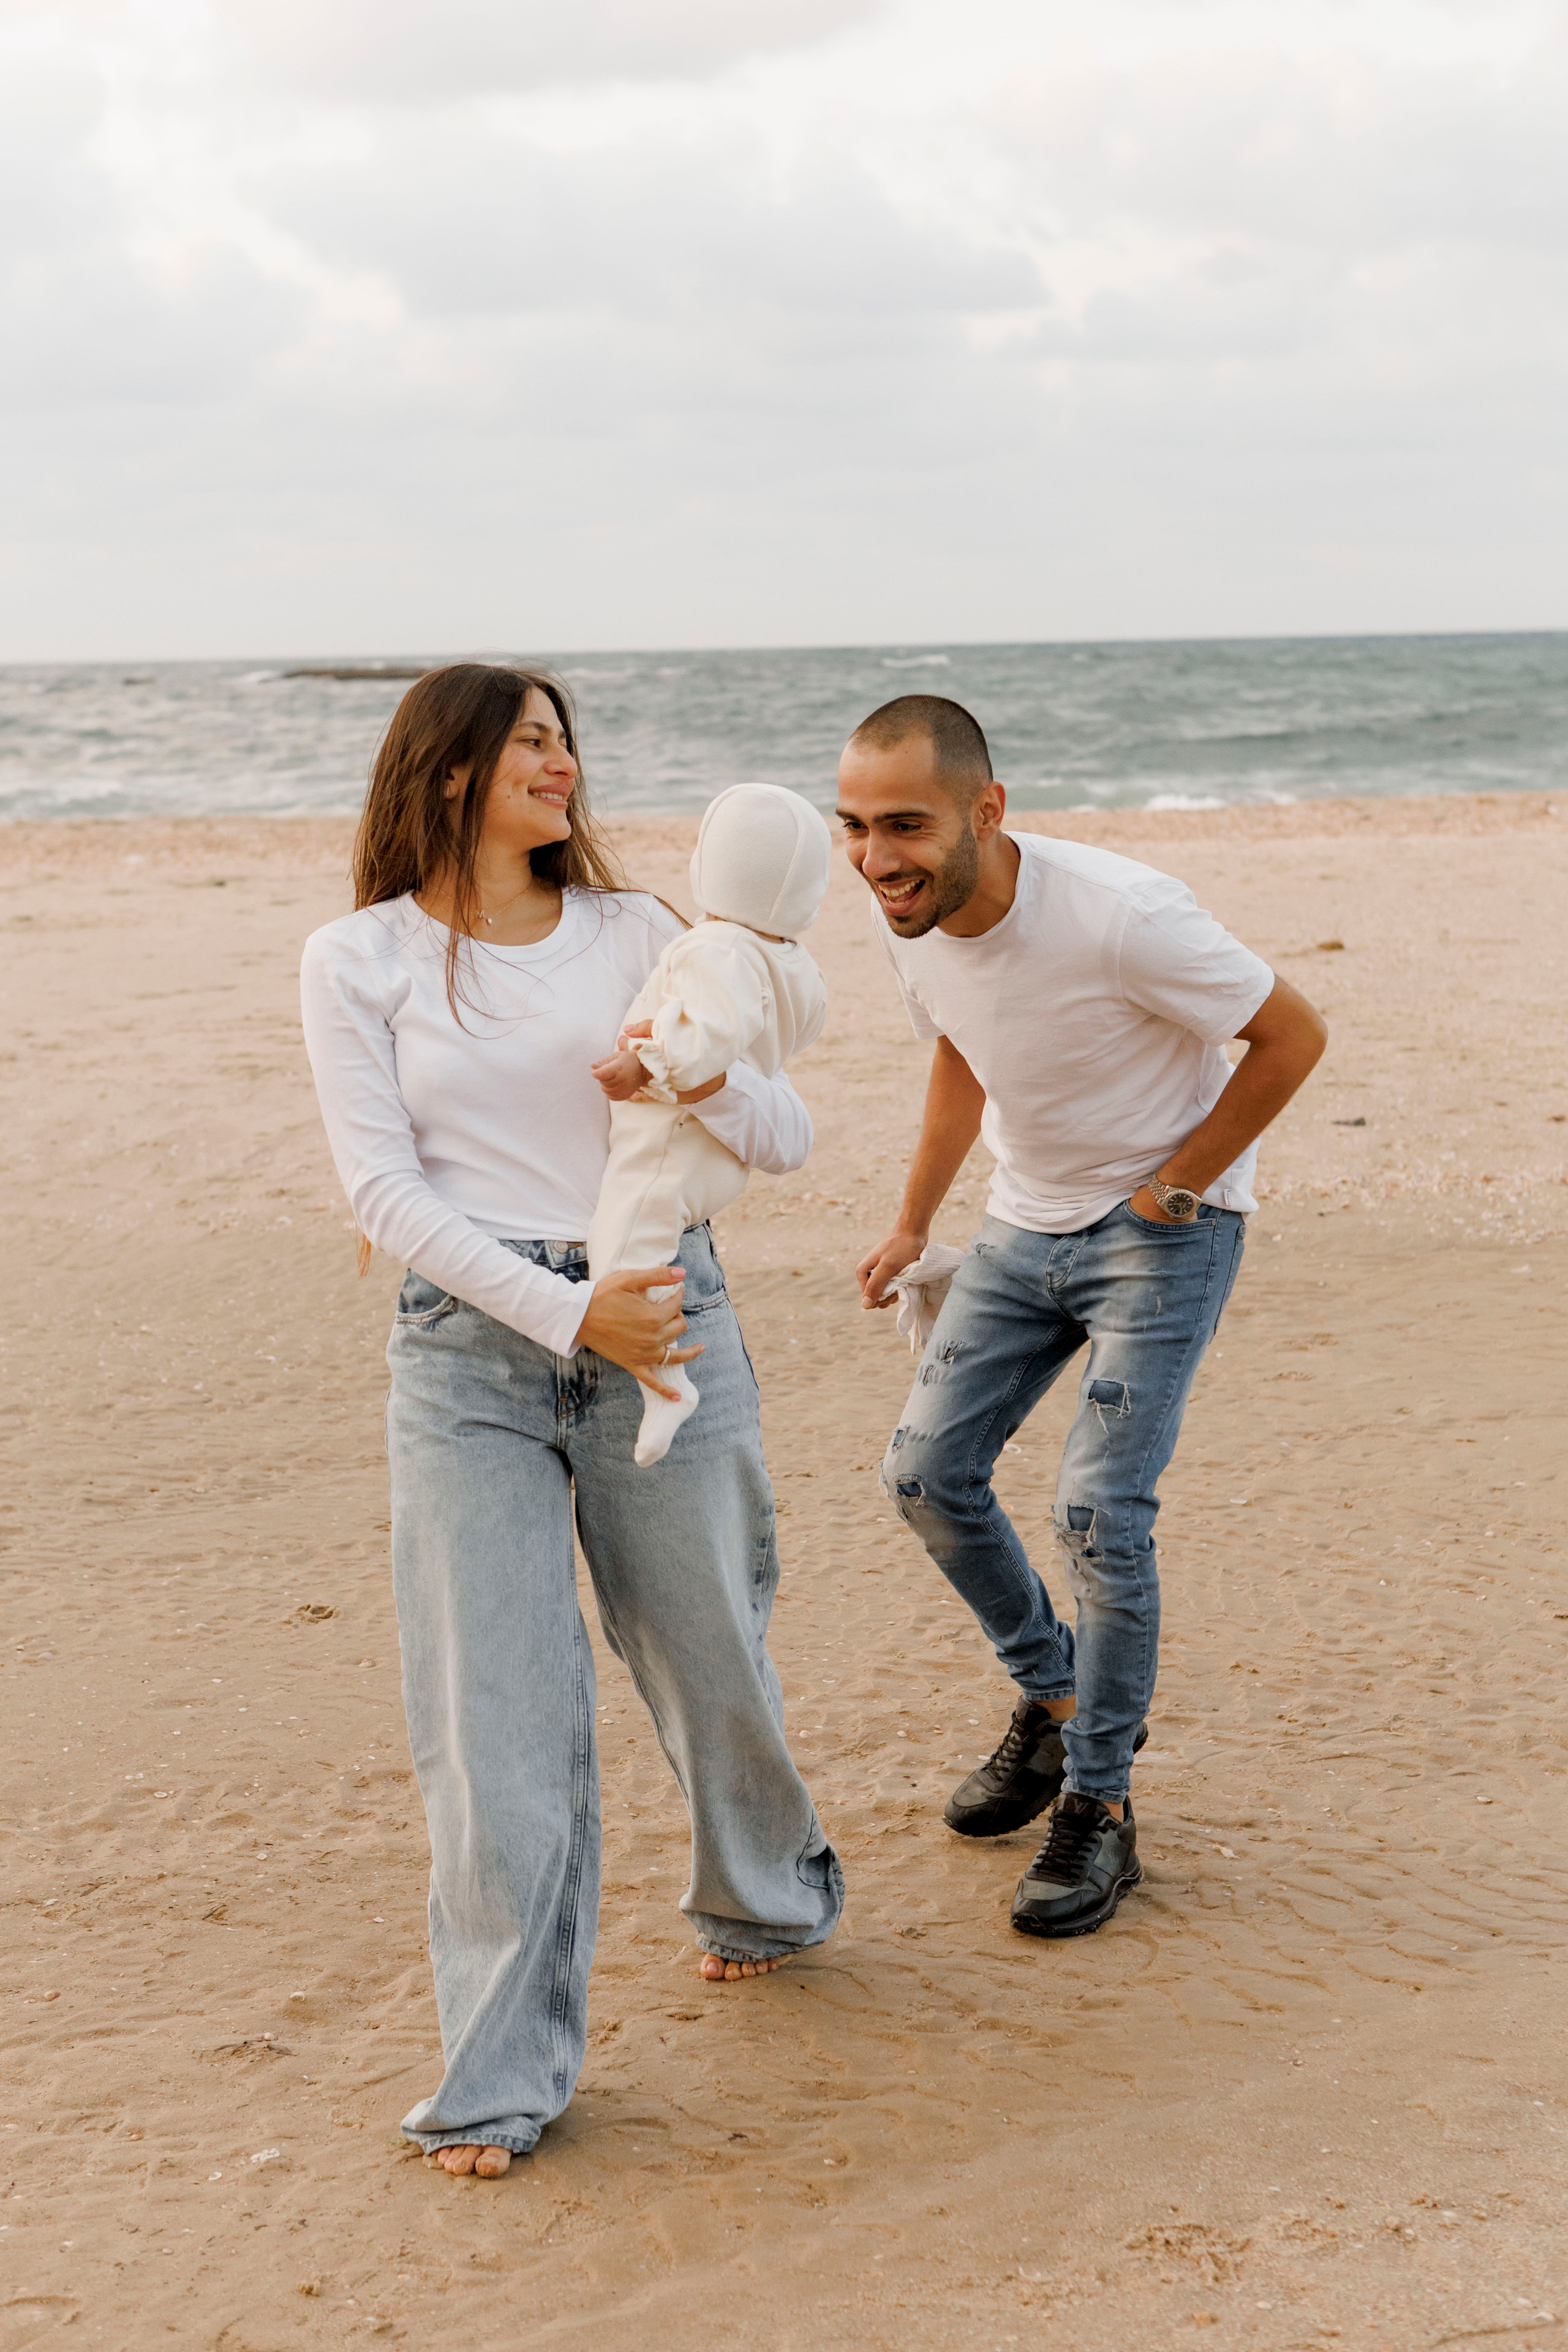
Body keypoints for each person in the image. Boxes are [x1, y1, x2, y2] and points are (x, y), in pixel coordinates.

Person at [300, 664, 843, 2182]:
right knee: (494, 1725)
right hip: (469, 1352)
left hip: (668, 1311)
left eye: (564, 736)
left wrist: (686, 1072)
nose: (562, 758)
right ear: (452, 769)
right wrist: (563, 1312)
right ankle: (497, 2076)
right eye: (528, 738)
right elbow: (381, 1191)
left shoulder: (644, 933)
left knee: (709, 1645)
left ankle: (765, 1890)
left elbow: (787, 1134)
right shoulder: (358, 957)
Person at [840, 695, 1325, 1939]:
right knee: (921, 1473)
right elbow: (959, 1048)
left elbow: (1288, 1032)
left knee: (1096, 1514)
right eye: (851, 826)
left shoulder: (1123, 914)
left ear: (984, 812)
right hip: (1023, 1222)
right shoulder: (911, 915)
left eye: (902, 824)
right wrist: (911, 1219)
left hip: (1160, 1234)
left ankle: (1100, 1807)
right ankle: (1056, 1704)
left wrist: (1178, 1181)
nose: (873, 857)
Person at [588, 782, 832, 1464]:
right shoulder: (790, 961)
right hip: (722, 1150)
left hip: (671, 1138)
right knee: (645, 1237)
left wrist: (648, 1062)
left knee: (622, 1247)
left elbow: (710, 1031)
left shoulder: (715, 947)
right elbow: (781, 1031)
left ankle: (666, 1381)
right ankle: (663, 1377)